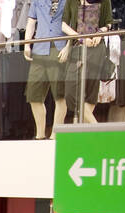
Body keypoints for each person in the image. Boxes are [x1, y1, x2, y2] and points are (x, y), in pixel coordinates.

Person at [24, 0, 80, 139]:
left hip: (59, 48)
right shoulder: (37, 1)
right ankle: (40, 134)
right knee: (33, 94)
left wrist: (68, 46)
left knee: (60, 94)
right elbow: (31, 22)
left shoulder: (69, 2)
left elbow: (74, 25)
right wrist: (27, 44)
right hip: (39, 47)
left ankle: (55, 134)